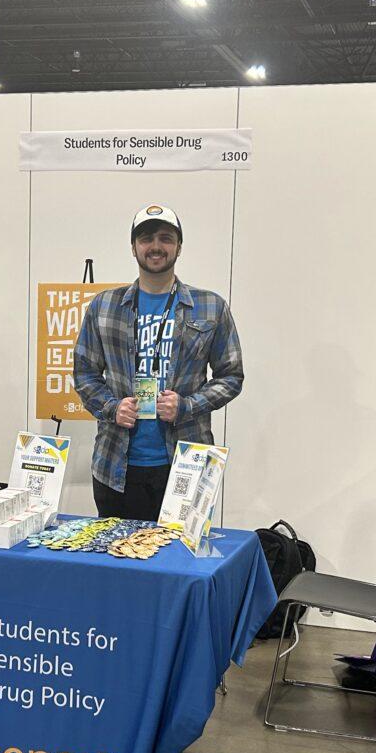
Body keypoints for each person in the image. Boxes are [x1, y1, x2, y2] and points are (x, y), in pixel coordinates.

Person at [74, 203, 244, 519]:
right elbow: (84, 373)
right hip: (115, 466)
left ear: (179, 246)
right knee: (118, 550)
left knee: (182, 552)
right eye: (146, 238)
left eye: (166, 238)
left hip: (187, 463)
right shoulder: (104, 306)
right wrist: (111, 407)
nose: (156, 246)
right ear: (133, 247)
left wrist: (187, 406)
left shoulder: (210, 306)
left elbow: (231, 376)